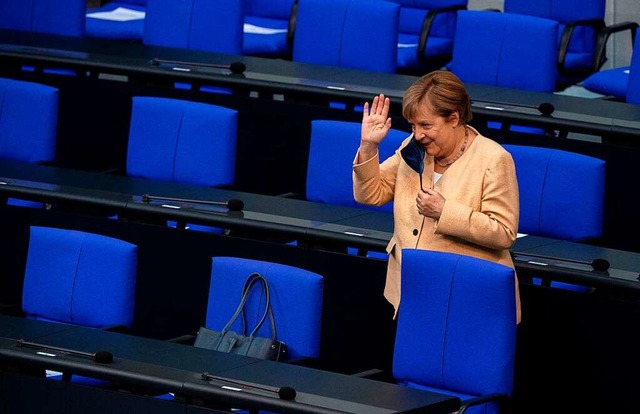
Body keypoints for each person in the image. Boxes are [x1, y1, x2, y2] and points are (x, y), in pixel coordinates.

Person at [353, 70, 520, 322]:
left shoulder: (493, 160)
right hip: (412, 289)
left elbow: (503, 232)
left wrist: (445, 211)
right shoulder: (413, 148)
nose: (418, 134)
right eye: (413, 125)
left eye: (426, 125)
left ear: (454, 117)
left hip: (467, 294)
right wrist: (369, 146)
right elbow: (370, 195)